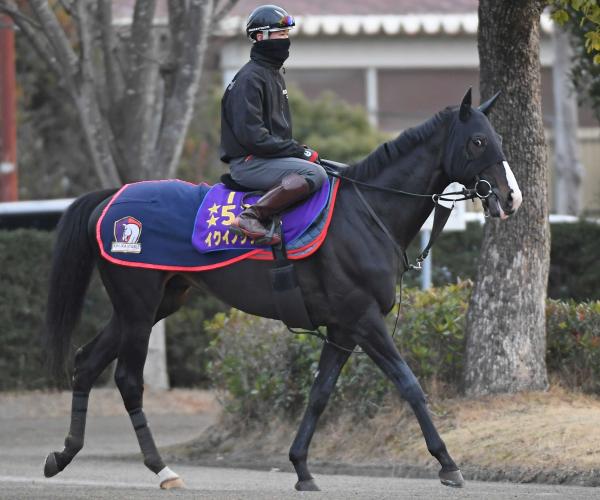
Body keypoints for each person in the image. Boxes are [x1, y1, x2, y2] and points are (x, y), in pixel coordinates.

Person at [220, 4, 327, 246]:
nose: (285, 41)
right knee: (314, 173)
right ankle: (250, 217)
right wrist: (298, 152)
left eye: (286, 35)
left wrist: (299, 151)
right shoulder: (249, 79)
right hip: (250, 162)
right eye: (280, 35)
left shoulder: (274, 74)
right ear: (260, 37)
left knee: (330, 169)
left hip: (268, 158)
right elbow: (253, 138)